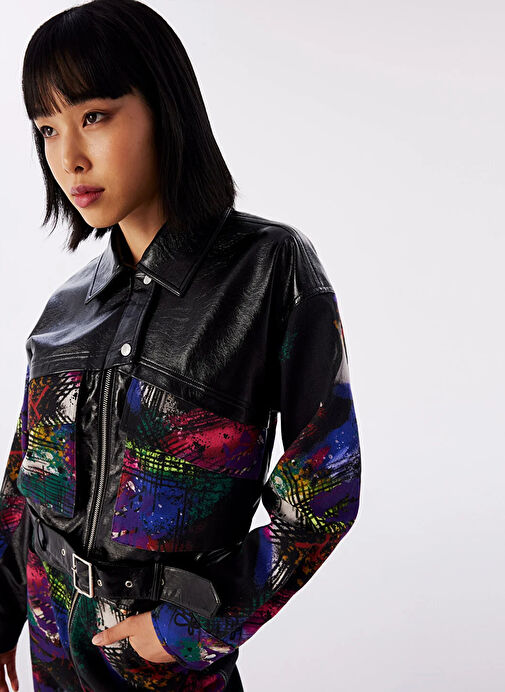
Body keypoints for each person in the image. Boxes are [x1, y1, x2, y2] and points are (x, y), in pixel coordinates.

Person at [0, 0, 362, 690]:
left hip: (163, 670)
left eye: (94, 116)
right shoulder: (66, 309)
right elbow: (25, 481)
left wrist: (191, 627)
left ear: (165, 108)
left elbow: (325, 487)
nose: (68, 157)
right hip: (53, 656)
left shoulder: (268, 269)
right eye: (47, 129)